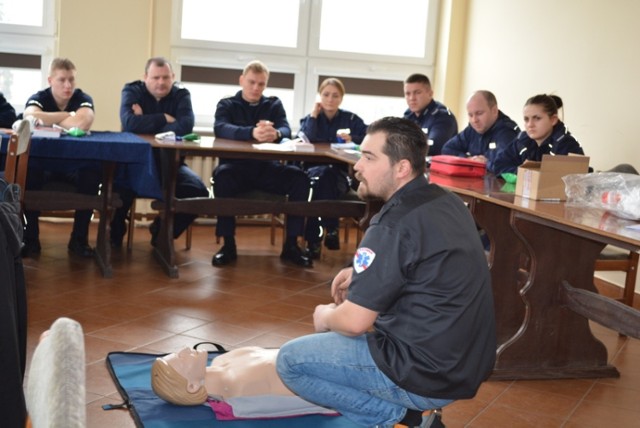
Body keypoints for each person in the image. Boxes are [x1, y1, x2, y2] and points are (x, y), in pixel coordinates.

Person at [275, 117, 497, 428]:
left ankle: (403, 418)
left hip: (427, 373)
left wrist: (324, 315)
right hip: (468, 364)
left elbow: (353, 322)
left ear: (402, 168)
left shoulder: (391, 223)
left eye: (368, 157)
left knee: (290, 361)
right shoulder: (447, 201)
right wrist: (360, 272)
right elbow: (422, 260)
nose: (357, 166)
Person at [212, 60, 311, 267]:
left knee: (300, 179)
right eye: (252, 82)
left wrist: (275, 133)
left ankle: (291, 245)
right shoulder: (227, 104)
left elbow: (286, 130)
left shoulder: (273, 104)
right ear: (242, 80)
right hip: (237, 169)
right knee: (221, 176)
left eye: (261, 84)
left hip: (268, 168)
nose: (256, 88)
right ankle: (228, 245)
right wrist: (251, 133)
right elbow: (221, 128)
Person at [112, 57, 208, 248]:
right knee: (116, 192)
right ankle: (114, 235)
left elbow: (186, 125)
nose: (161, 82)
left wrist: (145, 120)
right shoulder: (132, 90)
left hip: (170, 165)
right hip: (135, 164)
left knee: (198, 194)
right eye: (155, 77)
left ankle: (162, 231)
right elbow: (129, 123)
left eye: (166, 77)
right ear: (145, 77)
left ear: (173, 77)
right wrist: (164, 118)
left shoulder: (181, 94)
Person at [21, 58, 99, 258]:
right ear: (50, 80)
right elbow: (29, 117)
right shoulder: (39, 97)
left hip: (73, 166)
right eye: (62, 80)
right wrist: (67, 115)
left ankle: (79, 240)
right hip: (44, 165)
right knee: (28, 173)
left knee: (92, 175)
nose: (68, 85)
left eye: (71, 80)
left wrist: (46, 118)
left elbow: (82, 123)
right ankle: (30, 239)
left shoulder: (83, 97)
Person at [151, 346, 335, 418]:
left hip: (317, 350)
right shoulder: (240, 390)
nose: (185, 349)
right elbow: (312, 395)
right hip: (332, 369)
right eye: (182, 359)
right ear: (192, 386)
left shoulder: (221, 360)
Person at [298, 77, 367, 258]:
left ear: (341, 98)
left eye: (335, 95)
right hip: (312, 172)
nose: (330, 99)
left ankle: (314, 242)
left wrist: (353, 140)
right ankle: (332, 229)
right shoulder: (310, 118)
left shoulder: (351, 119)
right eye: (326, 94)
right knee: (321, 181)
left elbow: (368, 139)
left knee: (325, 181)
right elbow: (307, 137)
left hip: (341, 176)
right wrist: (314, 115)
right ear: (320, 96)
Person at [492, 94, 584, 175]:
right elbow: (499, 165)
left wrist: (528, 173)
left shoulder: (568, 145)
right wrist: (523, 173)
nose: (530, 124)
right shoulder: (522, 141)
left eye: (537, 118)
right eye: (526, 119)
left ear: (553, 120)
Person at [441, 90, 520, 173]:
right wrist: (468, 159)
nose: (474, 120)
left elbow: (502, 166)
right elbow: (447, 149)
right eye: (470, 115)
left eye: (479, 113)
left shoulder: (507, 132)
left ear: (494, 110)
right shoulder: (472, 129)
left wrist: (485, 163)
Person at [402, 73, 457, 156]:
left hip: (436, 166)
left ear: (430, 94)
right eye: (408, 94)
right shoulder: (408, 115)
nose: (412, 98)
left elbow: (433, 148)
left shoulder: (443, 116)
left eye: (417, 93)